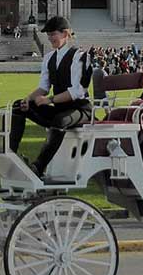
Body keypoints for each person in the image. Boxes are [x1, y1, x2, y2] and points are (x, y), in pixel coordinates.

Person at [9, 16, 92, 178]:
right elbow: (43, 88)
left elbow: (77, 91)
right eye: (49, 35)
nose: (50, 38)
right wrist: (28, 99)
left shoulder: (80, 56)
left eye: (53, 34)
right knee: (18, 106)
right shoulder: (49, 58)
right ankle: (12, 154)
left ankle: (39, 166)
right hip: (60, 109)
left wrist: (50, 100)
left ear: (66, 34)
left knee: (60, 120)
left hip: (80, 110)